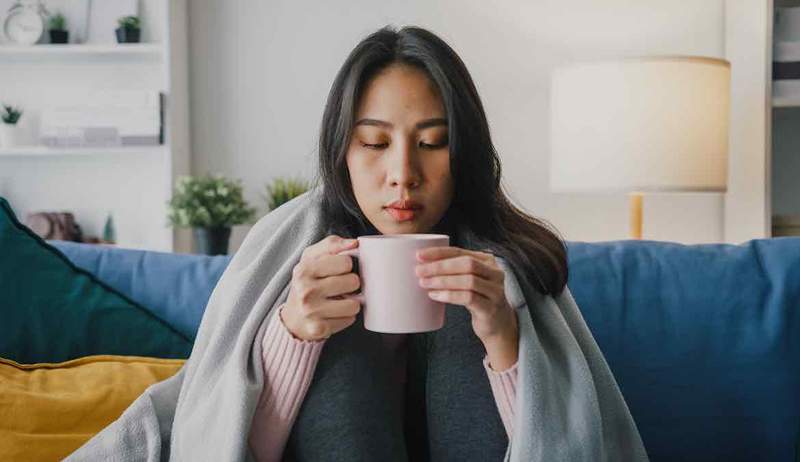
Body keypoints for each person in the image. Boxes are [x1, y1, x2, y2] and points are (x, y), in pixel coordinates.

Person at [247, 25, 570, 461]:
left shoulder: (511, 264)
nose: (403, 172)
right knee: (335, 314)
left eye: (432, 143)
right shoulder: (287, 250)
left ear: (464, 154)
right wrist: (293, 334)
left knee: (464, 313)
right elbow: (234, 448)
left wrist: (502, 337)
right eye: (374, 142)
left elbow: (563, 446)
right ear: (341, 152)